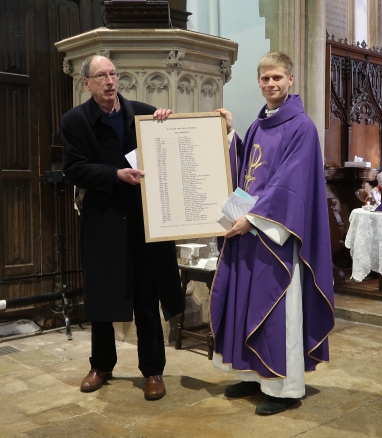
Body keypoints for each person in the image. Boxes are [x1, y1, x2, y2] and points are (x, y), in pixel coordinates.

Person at [210, 52, 335, 415]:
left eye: (277, 77)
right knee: (246, 302)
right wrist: (231, 133)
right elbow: (249, 170)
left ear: (291, 79)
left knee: (277, 307)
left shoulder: (302, 128)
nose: (271, 84)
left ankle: (284, 387)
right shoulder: (258, 126)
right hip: (250, 230)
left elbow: (289, 186)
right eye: (265, 79)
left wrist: (253, 220)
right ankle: (252, 374)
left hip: (277, 235)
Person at [61, 55, 184, 400]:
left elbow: (168, 150)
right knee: (102, 296)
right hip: (103, 220)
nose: (110, 80)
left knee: (147, 296)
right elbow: (74, 169)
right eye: (101, 75)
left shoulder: (145, 112)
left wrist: (166, 122)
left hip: (145, 219)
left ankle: (154, 371)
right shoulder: (75, 121)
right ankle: (100, 365)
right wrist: (114, 175)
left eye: (113, 74)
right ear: (87, 83)